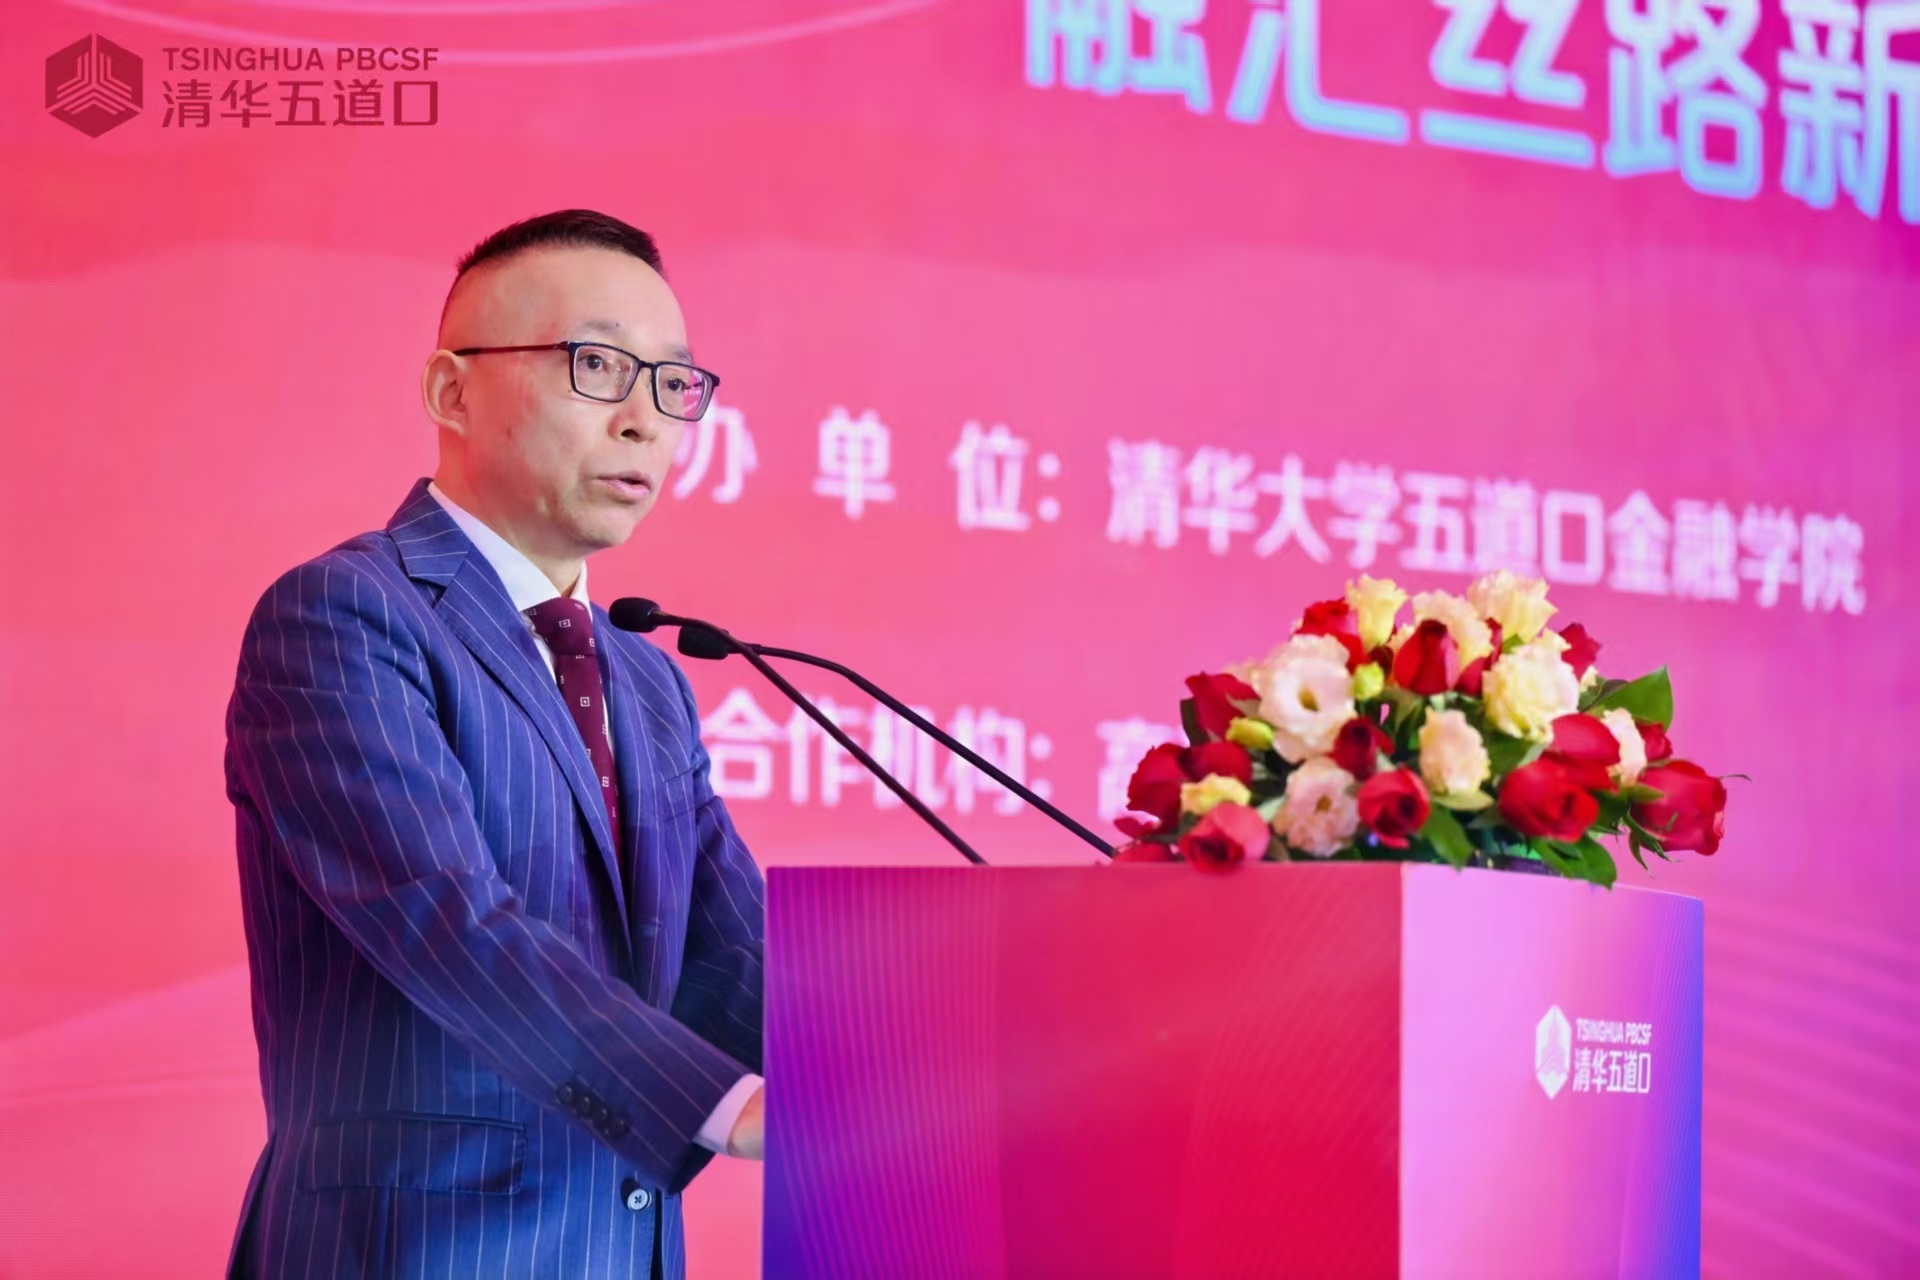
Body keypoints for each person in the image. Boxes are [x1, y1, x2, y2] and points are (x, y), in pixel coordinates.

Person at [222, 209, 765, 1278]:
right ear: (452, 391)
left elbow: (734, 948)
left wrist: (985, 1040)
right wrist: (722, 1102)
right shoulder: (345, 616)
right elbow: (442, 918)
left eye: (674, 383)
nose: (646, 422)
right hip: (410, 1251)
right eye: (598, 366)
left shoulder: (647, 677)